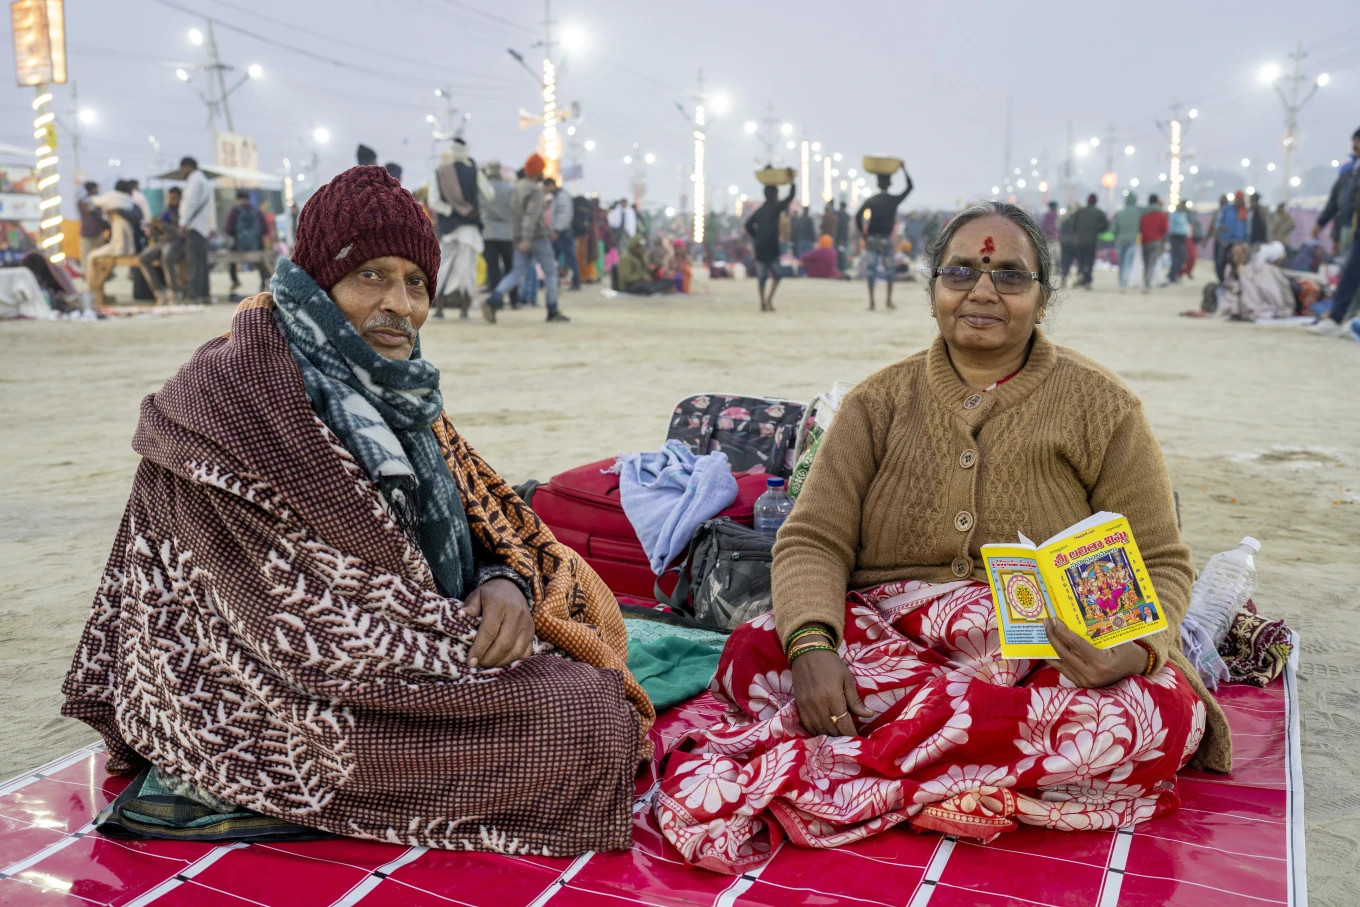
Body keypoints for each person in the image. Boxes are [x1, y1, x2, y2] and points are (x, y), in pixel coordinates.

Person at [61, 164, 651, 854]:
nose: (400, 303)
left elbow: (485, 513)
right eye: (371, 275)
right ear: (318, 282)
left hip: (396, 652)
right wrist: (472, 649)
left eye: (416, 282)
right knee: (582, 723)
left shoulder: (392, 386)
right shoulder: (237, 399)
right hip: (256, 690)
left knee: (579, 637)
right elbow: (302, 626)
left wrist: (502, 580)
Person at [654, 201, 1231, 874]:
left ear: (1042, 299)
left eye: (1010, 276)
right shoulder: (878, 402)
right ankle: (967, 769)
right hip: (893, 637)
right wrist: (812, 646)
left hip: (1048, 652)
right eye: (961, 271)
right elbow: (813, 538)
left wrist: (1130, 653)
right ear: (932, 291)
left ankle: (865, 766)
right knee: (759, 649)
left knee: (1157, 716)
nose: (982, 290)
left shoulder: (1103, 406)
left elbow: (1161, 559)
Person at [484, 154, 569, 323]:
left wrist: (518, 237)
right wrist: (527, 239)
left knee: (516, 272)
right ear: (537, 172)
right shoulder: (535, 191)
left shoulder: (517, 187)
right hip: (535, 237)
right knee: (551, 272)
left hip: (518, 237)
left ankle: (493, 300)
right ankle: (552, 310)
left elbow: (514, 214)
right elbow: (531, 216)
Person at [430, 138, 492, 319]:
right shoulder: (474, 172)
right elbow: (489, 194)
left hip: (448, 229)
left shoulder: (440, 172)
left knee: (443, 267)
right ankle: (464, 310)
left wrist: (450, 211)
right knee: (467, 269)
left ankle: (439, 309)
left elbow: (434, 202)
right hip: (469, 229)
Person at [855, 164, 914, 310]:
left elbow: (858, 216)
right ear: (889, 184)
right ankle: (888, 301)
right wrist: (903, 169)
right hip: (886, 239)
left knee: (871, 270)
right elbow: (909, 187)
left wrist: (863, 233)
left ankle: (872, 302)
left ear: (878, 184)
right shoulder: (892, 200)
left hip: (872, 239)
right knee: (890, 270)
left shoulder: (872, 200)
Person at [744, 180, 796, 312]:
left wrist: (757, 236)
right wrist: (792, 183)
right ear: (774, 195)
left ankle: (763, 301)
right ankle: (768, 299)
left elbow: (748, 225)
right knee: (777, 274)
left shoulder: (760, 211)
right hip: (772, 248)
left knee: (762, 277)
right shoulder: (775, 208)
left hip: (760, 247)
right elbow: (789, 199)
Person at [1313, 127, 1360, 257]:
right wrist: (1320, 223)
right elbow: (1335, 200)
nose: (1355, 145)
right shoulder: (1348, 171)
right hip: (1348, 226)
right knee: (1346, 263)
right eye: (1354, 141)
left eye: (1358, 141)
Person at [176, 156, 214, 304]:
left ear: (186, 167)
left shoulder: (194, 180)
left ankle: (194, 295)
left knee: (194, 263)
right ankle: (204, 294)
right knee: (201, 263)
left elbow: (190, 203)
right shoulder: (202, 179)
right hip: (202, 226)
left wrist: (183, 223)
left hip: (194, 226)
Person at [480, 161, 516, 307]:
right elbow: (514, 209)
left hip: (489, 232)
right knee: (510, 268)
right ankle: (514, 301)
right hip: (507, 232)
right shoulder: (510, 188)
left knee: (493, 269)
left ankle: (497, 301)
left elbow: (480, 210)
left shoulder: (484, 189)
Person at [139, 187, 183, 304]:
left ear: (179, 198)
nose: (171, 200)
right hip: (162, 242)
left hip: (175, 242)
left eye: (174, 198)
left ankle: (174, 291)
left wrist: (165, 227)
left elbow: (181, 231)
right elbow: (156, 229)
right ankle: (158, 291)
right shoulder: (166, 211)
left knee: (167, 258)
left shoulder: (183, 211)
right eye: (169, 198)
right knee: (143, 258)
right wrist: (153, 228)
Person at [224, 190, 266, 294]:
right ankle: (262, 284)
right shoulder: (257, 211)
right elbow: (265, 229)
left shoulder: (235, 211)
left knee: (230, 256)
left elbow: (229, 229)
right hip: (257, 247)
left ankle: (235, 280)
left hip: (239, 247)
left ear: (238, 199)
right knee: (262, 260)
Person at [546, 178, 580, 291]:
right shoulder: (557, 196)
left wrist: (557, 230)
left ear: (551, 185)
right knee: (557, 257)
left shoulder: (562, 196)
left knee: (570, 258)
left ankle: (575, 282)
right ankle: (557, 282)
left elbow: (564, 215)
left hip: (563, 232)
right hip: (560, 232)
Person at [1070, 193, 1109, 289]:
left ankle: (1081, 275)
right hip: (1091, 241)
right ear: (1096, 202)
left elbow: (1073, 225)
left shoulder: (1079, 212)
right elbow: (1105, 226)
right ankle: (1087, 280)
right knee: (1089, 261)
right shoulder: (1099, 213)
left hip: (1079, 241)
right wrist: (1096, 229)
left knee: (1081, 260)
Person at [1214, 193, 1251, 282]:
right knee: (1221, 262)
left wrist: (1246, 242)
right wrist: (1221, 227)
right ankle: (1222, 281)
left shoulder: (1244, 212)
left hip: (1238, 242)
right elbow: (1217, 223)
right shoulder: (1226, 209)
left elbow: (1248, 228)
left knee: (1237, 263)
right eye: (1238, 200)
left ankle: (1234, 281)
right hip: (1225, 241)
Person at [1110, 193, 1143, 291]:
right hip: (1132, 240)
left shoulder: (1119, 213)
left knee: (1121, 262)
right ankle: (1124, 281)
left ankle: (1121, 281)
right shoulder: (1138, 211)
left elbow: (1113, 229)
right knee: (1128, 262)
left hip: (1120, 241)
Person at [1139, 194, 1169, 292]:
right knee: (1152, 263)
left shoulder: (1143, 214)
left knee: (1146, 263)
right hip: (1156, 241)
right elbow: (1165, 230)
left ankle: (1146, 282)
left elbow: (1140, 227)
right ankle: (1147, 284)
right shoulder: (1161, 214)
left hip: (1144, 241)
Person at [77, 181, 108, 276]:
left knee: (101, 257)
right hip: (89, 233)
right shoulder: (88, 201)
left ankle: (100, 274)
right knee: (87, 258)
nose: (98, 190)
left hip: (94, 232)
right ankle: (89, 276)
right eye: (96, 188)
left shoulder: (87, 201)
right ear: (93, 189)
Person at [1167, 201, 1191, 284]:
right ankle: (1172, 276)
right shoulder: (1174, 215)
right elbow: (1170, 227)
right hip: (1175, 238)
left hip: (1182, 238)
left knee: (1181, 257)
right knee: (1178, 258)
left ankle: (1173, 274)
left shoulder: (1184, 215)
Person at [1040, 200, 1060, 269]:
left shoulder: (1047, 215)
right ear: (1053, 207)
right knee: (1056, 254)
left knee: (1050, 254)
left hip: (1048, 238)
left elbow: (1043, 226)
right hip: (1053, 238)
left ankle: (1050, 268)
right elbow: (1057, 227)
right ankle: (1056, 268)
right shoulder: (1055, 215)